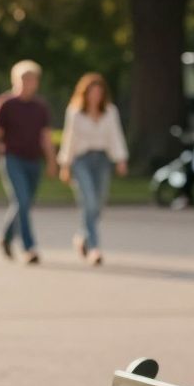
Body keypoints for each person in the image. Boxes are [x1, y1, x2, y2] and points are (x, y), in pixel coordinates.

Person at [0, 60, 55, 264]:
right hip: (11, 159)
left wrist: (52, 161)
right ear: (14, 80)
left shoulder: (40, 107)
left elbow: (45, 137)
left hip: (33, 161)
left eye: (32, 80)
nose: (27, 84)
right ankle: (29, 247)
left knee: (23, 204)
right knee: (22, 201)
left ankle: (5, 237)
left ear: (37, 82)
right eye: (24, 79)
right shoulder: (5, 104)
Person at [57, 73, 129, 266]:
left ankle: (83, 235)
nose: (95, 96)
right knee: (88, 200)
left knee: (99, 202)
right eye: (92, 92)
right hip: (81, 159)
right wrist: (65, 164)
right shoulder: (75, 112)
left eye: (99, 92)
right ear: (85, 93)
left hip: (102, 159)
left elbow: (115, 135)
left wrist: (121, 159)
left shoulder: (110, 111)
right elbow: (69, 138)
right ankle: (94, 248)